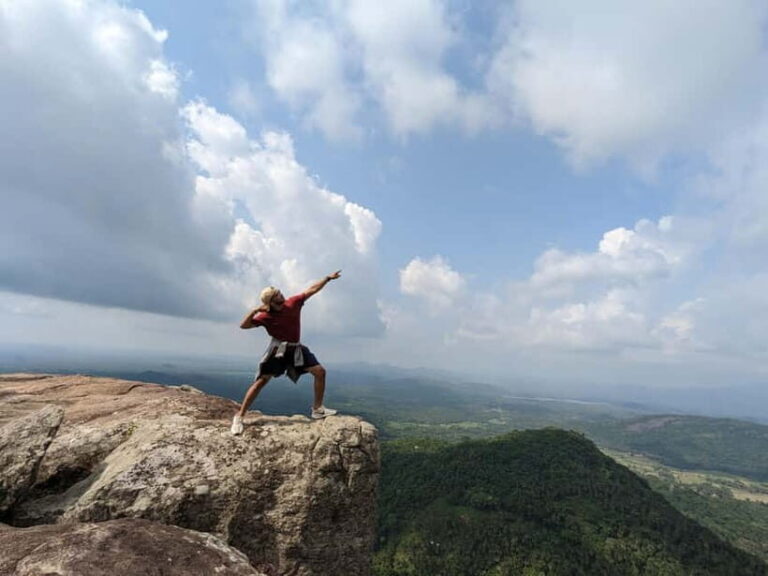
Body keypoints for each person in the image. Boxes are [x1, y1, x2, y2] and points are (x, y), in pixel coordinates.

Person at [231, 270, 342, 435]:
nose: (281, 294)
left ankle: (317, 409)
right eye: (277, 294)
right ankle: (239, 417)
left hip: (296, 347)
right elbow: (244, 325)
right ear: (271, 300)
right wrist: (255, 311)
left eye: (279, 292)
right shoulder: (265, 316)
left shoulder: (293, 302)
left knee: (320, 372)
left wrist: (327, 279)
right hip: (278, 350)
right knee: (261, 381)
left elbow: (312, 290)